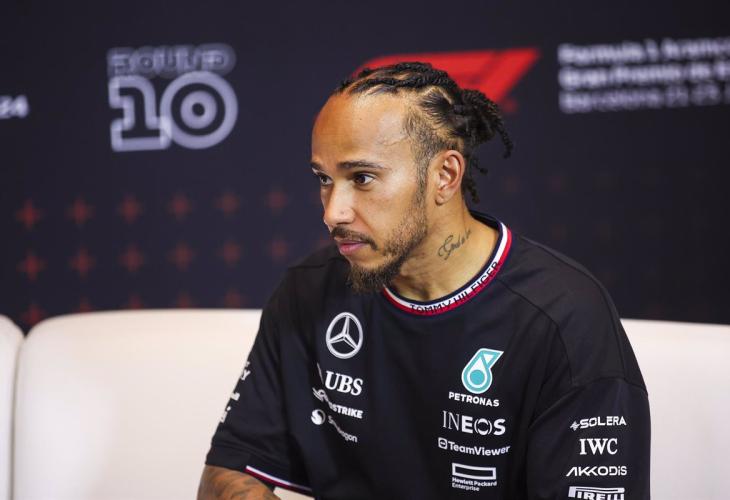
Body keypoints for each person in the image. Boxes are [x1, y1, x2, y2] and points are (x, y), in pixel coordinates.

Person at [198, 62, 650, 500]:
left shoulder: (565, 317)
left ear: (445, 175)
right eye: (324, 179)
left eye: (362, 178)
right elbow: (226, 475)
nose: (333, 212)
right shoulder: (307, 292)